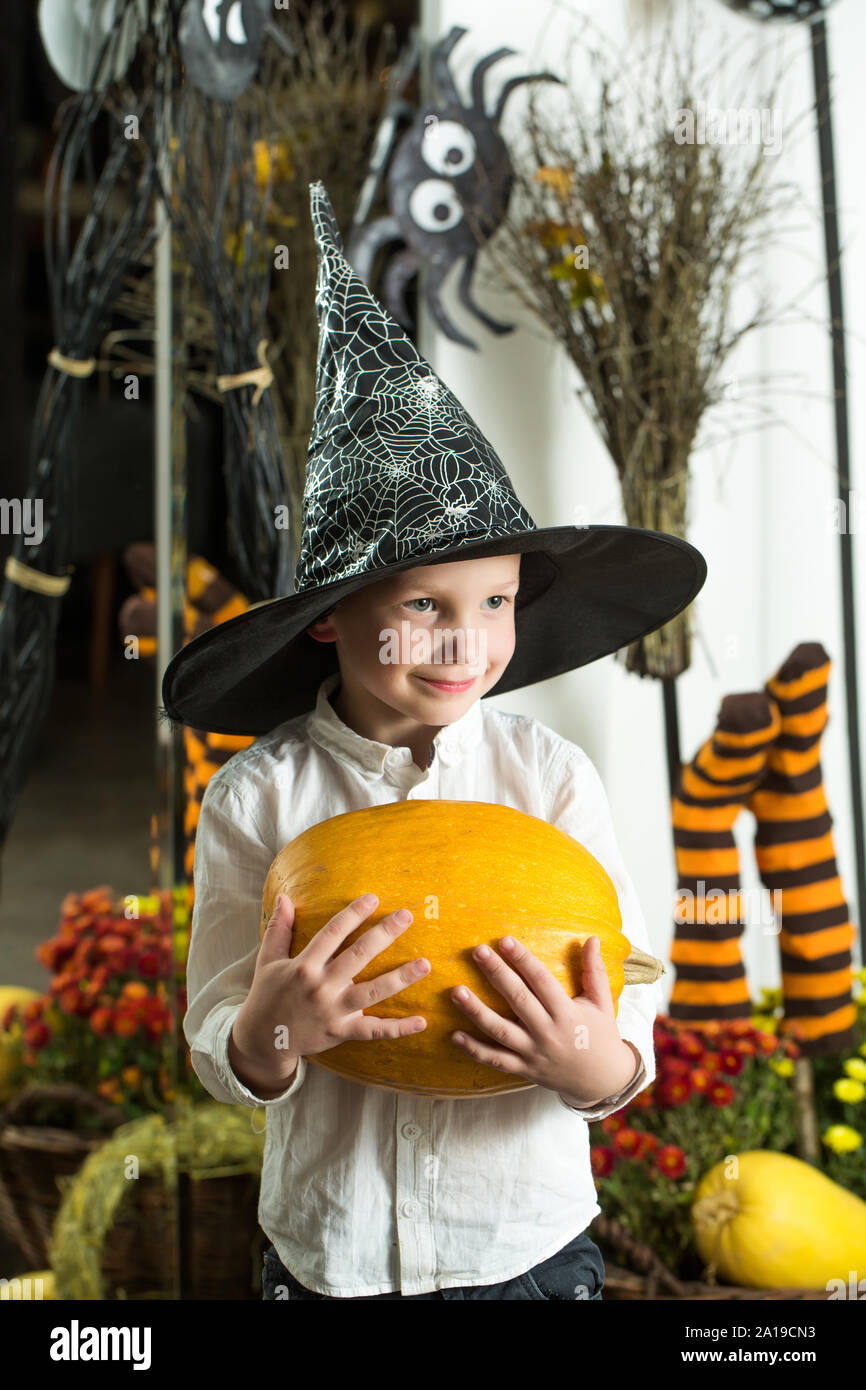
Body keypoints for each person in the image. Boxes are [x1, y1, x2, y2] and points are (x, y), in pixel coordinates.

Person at [161, 181, 707, 1300]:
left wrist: (589, 1063)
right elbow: (217, 1028)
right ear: (331, 613)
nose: (467, 642)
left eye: (497, 602)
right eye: (423, 606)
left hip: (524, 1253)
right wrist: (267, 1030)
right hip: (325, 1259)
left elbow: (629, 987)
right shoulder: (258, 799)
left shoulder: (546, 777)